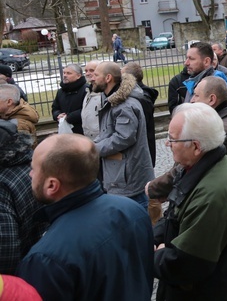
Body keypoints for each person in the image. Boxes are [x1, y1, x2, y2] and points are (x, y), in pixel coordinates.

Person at [17, 134, 153, 300]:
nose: (30, 174)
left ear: (52, 185)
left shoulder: (44, 259)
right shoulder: (133, 211)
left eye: (34, 169)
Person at [153, 103, 227, 300]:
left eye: (172, 139)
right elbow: (176, 212)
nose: (167, 144)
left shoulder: (212, 192)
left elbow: (188, 264)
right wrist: (152, 237)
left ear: (196, 146)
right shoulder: (201, 165)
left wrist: (155, 255)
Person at [91, 61, 154, 209]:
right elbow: (107, 132)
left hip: (129, 179)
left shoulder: (124, 105)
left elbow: (123, 137)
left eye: (95, 74)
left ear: (108, 78)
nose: (91, 78)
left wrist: (92, 149)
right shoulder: (114, 100)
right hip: (120, 175)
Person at [0, 119, 46, 274]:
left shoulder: (2, 184)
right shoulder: (32, 163)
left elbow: (5, 250)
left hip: (18, 277)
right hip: (43, 257)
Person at [51, 64, 87, 134]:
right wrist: (57, 115)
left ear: (78, 76)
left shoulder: (86, 90)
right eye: (64, 73)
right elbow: (55, 108)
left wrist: (69, 117)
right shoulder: (60, 91)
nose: (65, 75)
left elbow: (87, 110)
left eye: (69, 73)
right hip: (65, 129)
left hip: (83, 130)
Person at [80, 60, 102, 139]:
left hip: (101, 140)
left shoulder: (104, 93)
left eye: (91, 70)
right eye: (86, 71)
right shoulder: (88, 91)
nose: (87, 73)